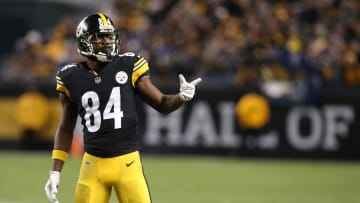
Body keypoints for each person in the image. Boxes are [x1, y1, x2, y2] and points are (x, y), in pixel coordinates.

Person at [44, 12, 201, 203]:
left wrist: (181, 97)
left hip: (128, 164)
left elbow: (161, 103)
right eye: (100, 37)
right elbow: (65, 128)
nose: (106, 41)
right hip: (92, 166)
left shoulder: (128, 65)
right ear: (85, 41)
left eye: (109, 36)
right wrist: (55, 171)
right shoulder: (70, 77)